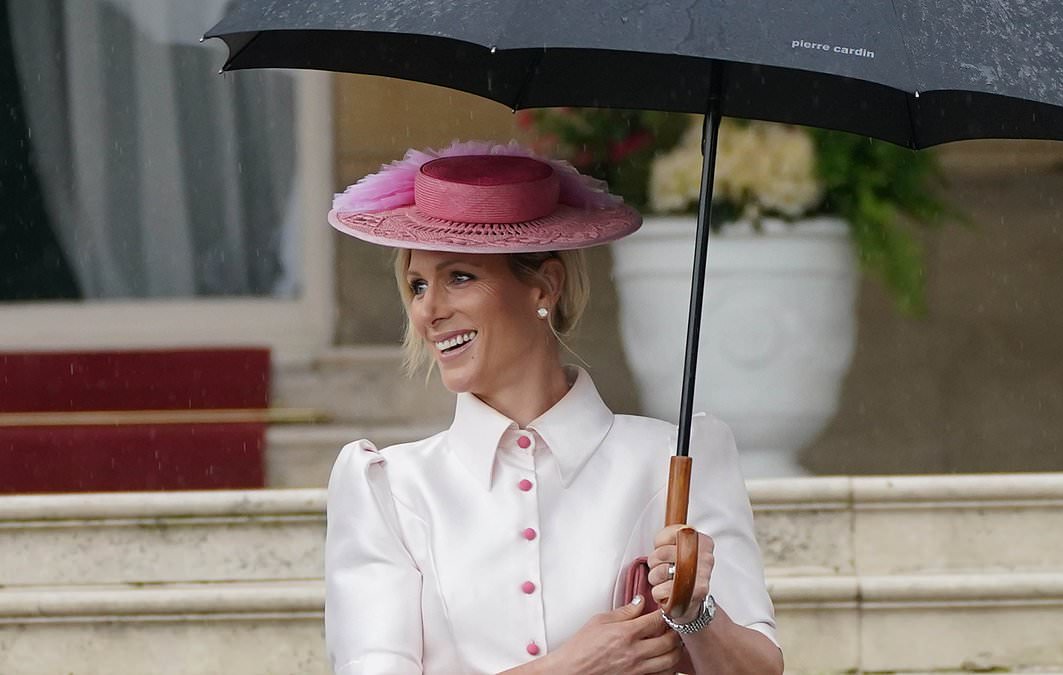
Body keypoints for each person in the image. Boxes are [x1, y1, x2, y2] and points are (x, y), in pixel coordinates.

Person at [323, 140, 783, 675]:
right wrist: (575, 667)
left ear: (545, 285)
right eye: (418, 285)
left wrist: (694, 612)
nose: (428, 310)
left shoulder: (677, 459)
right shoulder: (388, 487)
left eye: (459, 277)